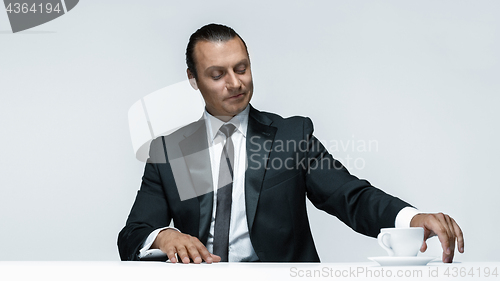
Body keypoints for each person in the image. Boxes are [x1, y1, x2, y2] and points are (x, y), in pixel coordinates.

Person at [118, 23, 464, 264]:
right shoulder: (170, 151)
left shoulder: (290, 136)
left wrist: (413, 218)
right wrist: (163, 236)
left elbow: (348, 195)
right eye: (217, 74)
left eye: (242, 68)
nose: (235, 83)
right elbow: (133, 234)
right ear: (193, 80)